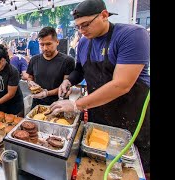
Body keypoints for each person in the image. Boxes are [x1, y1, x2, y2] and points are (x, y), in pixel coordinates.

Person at [50, 0, 150, 175]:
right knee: (98, 167)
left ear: (104, 15)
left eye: (86, 24)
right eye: (78, 27)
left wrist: (76, 105)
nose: (81, 31)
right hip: (99, 112)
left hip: (132, 114)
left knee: (133, 170)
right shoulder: (83, 42)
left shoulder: (132, 35)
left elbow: (121, 84)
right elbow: (80, 70)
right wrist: (68, 82)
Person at [26, 26, 75, 109]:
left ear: (57, 42)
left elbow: (65, 87)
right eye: (42, 45)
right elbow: (30, 77)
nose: (45, 48)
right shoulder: (34, 60)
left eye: (48, 44)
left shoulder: (67, 61)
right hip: (37, 105)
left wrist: (46, 93)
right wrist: (30, 83)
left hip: (58, 105)